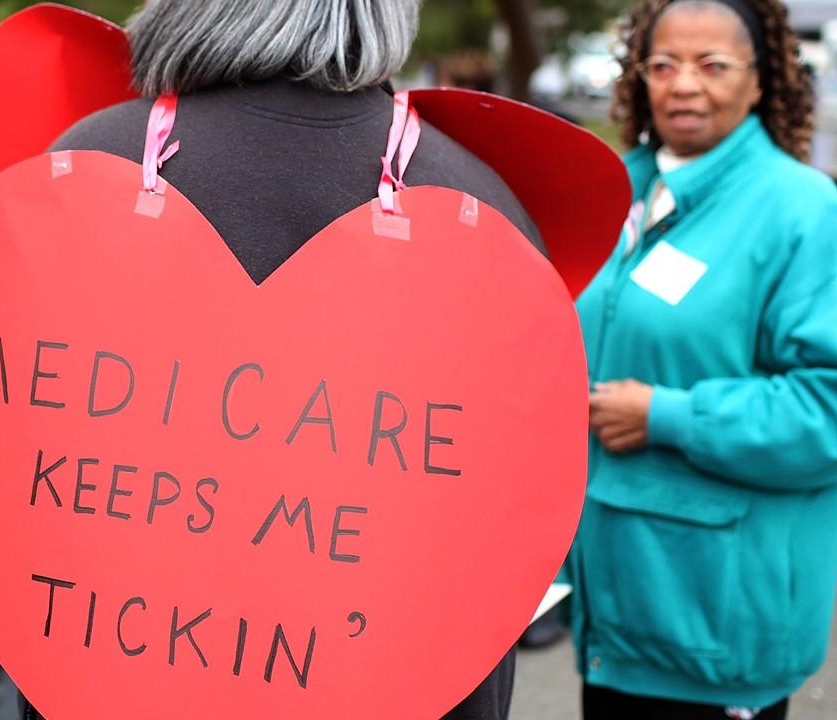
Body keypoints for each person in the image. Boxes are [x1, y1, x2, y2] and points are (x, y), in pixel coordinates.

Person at [31, 1, 544, 718]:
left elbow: (16, 473)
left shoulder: (82, 171)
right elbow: (515, 507)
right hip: (398, 683)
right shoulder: (479, 205)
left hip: (118, 671)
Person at [566, 1, 837, 718]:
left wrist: (669, 416)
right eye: (664, 64)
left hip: (715, 625)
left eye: (713, 66)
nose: (684, 84)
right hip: (613, 616)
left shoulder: (799, 210)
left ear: (761, 81)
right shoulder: (615, 190)